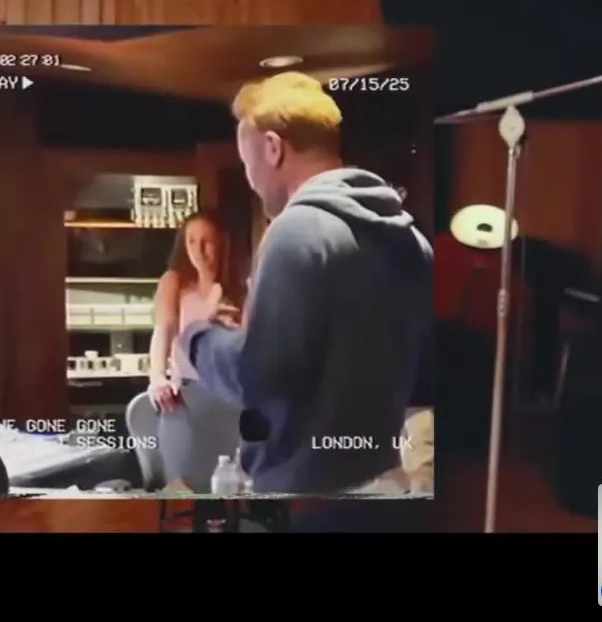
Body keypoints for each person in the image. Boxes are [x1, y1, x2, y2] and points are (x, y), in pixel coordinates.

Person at [180, 72, 435, 503]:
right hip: (385, 480)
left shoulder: (296, 231)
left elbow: (261, 378)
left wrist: (197, 337)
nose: (251, 179)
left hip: (309, 492)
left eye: (247, 162)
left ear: (273, 147)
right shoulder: (411, 238)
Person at [147, 212, 243, 492]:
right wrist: (157, 377)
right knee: (183, 487)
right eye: (191, 241)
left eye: (206, 242)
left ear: (222, 244)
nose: (198, 251)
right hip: (186, 394)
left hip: (231, 398)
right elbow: (163, 329)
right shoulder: (174, 281)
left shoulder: (241, 288)